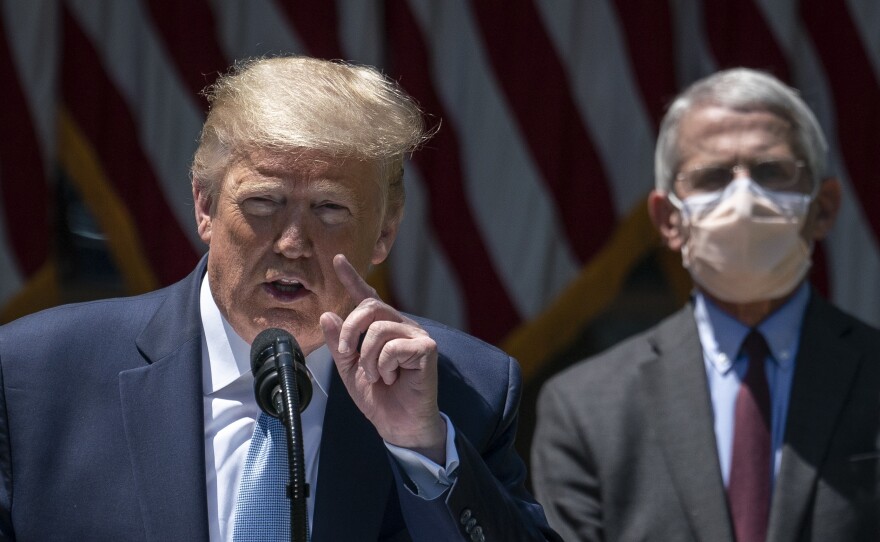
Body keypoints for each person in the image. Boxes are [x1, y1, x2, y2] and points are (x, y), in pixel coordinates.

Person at [0, 56, 559, 541]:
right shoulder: (38, 376)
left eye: (330, 209)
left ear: (385, 231)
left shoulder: (463, 392)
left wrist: (421, 449)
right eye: (263, 202)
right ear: (204, 206)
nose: (292, 243)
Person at [531, 68, 880, 542]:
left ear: (823, 208)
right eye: (713, 177)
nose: (744, 198)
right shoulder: (587, 407)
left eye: (771, 172)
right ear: (668, 219)